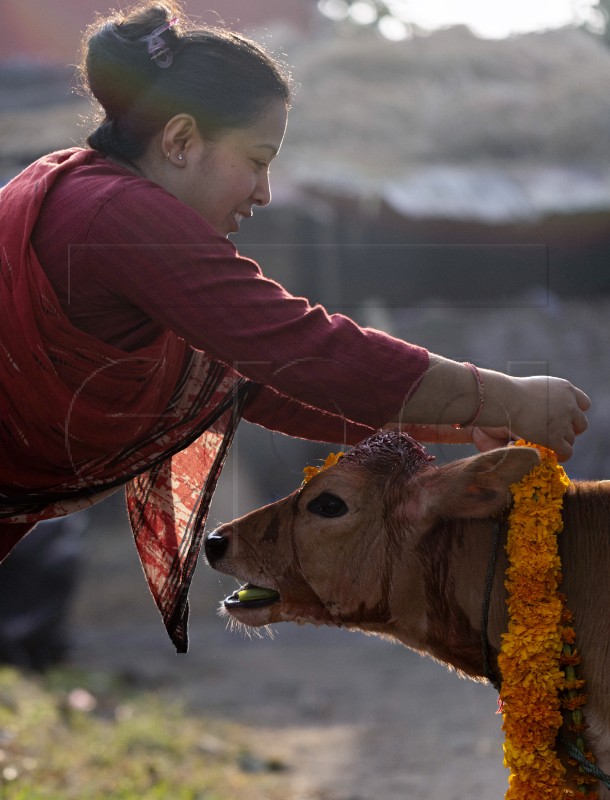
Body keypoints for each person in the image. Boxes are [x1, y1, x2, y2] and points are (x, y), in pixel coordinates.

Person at [0, 1, 590, 652]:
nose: (266, 192)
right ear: (179, 141)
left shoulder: (89, 194)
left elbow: (247, 383)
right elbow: (300, 348)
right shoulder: (117, 214)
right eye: (256, 158)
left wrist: (446, 422)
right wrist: (507, 395)